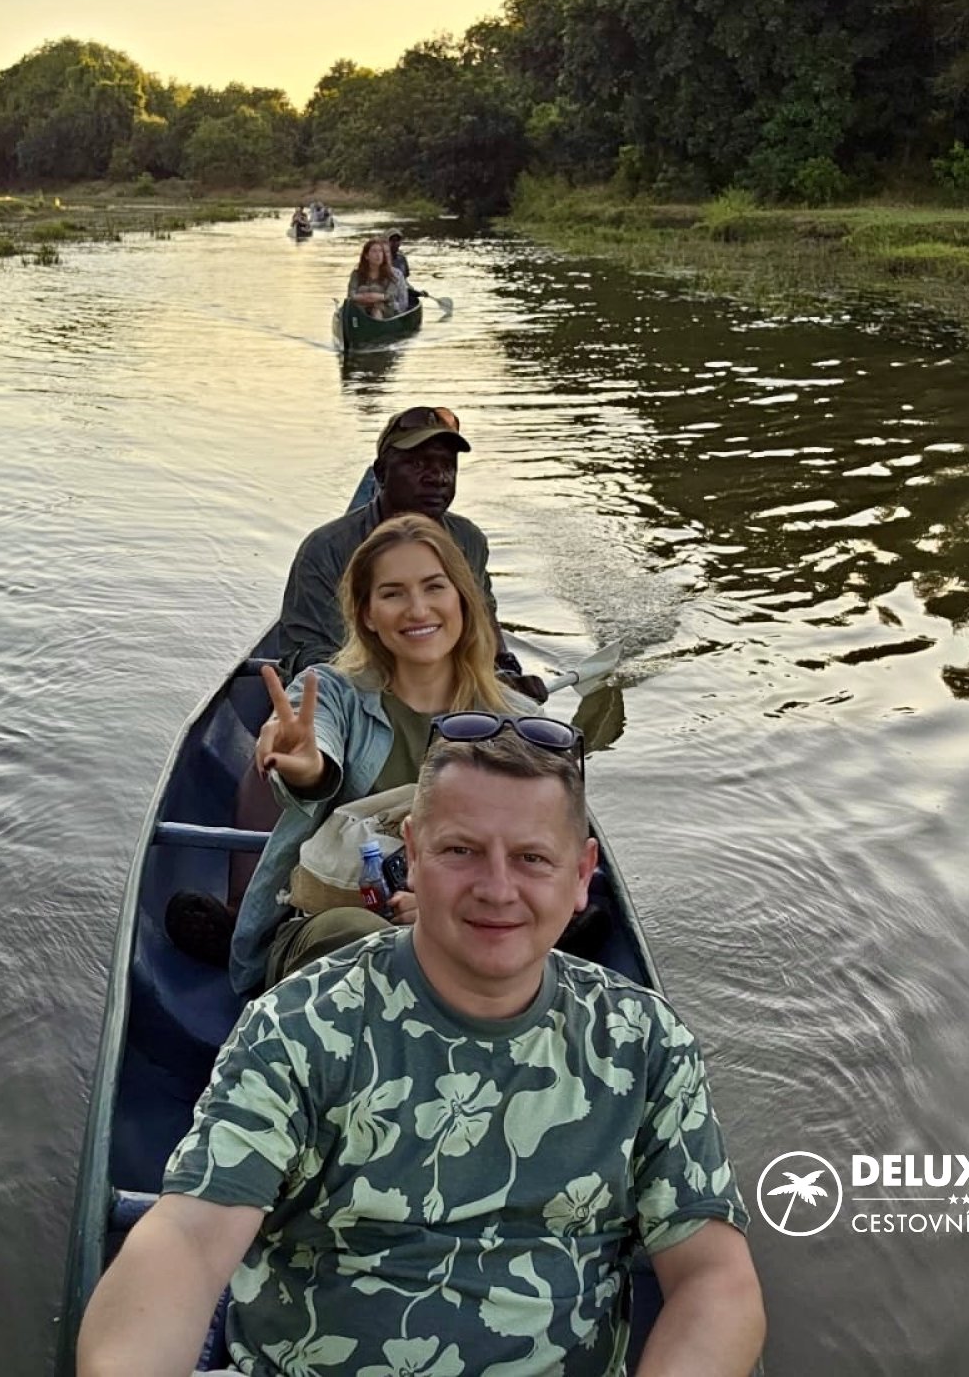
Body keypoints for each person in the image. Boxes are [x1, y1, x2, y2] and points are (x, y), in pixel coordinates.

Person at [77, 723, 766, 1377]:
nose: (497, 889)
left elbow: (714, 1279)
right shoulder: (300, 1024)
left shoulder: (644, 1042)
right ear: (411, 855)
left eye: (531, 858)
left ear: (582, 873)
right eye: (461, 851)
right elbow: (190, 1239)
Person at [228, 512, 531, 996]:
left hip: (472, 924)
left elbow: (536, 854)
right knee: (362, 936)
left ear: (462, 598)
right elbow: (314, 745)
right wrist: (308, 768)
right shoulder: (330, 690)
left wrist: (444, 912)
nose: (417, 610)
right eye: (393, 594)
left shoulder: (518, 721)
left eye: (434, 587)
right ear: (367, 614)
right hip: (331, 925)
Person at [277, 405, 542, 699]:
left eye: (448, 465)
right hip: (358, 697)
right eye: (418, 464)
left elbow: (483, 619)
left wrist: (505, 672)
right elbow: (310, 656)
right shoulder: (326, 550)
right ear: (381, 473)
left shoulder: (469, 540)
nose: (438, 477)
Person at [345, 238, 409, 320]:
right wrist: (369, 297)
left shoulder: (391, 275)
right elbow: (351, 295)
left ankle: (377, 324)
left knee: (377, 309)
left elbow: (389, 296)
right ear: (366, 256)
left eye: (380, 251)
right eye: (374, 251)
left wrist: (371, 297)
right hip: (361, 306)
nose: (378, 255)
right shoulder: (356, 274)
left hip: (386, 308)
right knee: (354, 306)